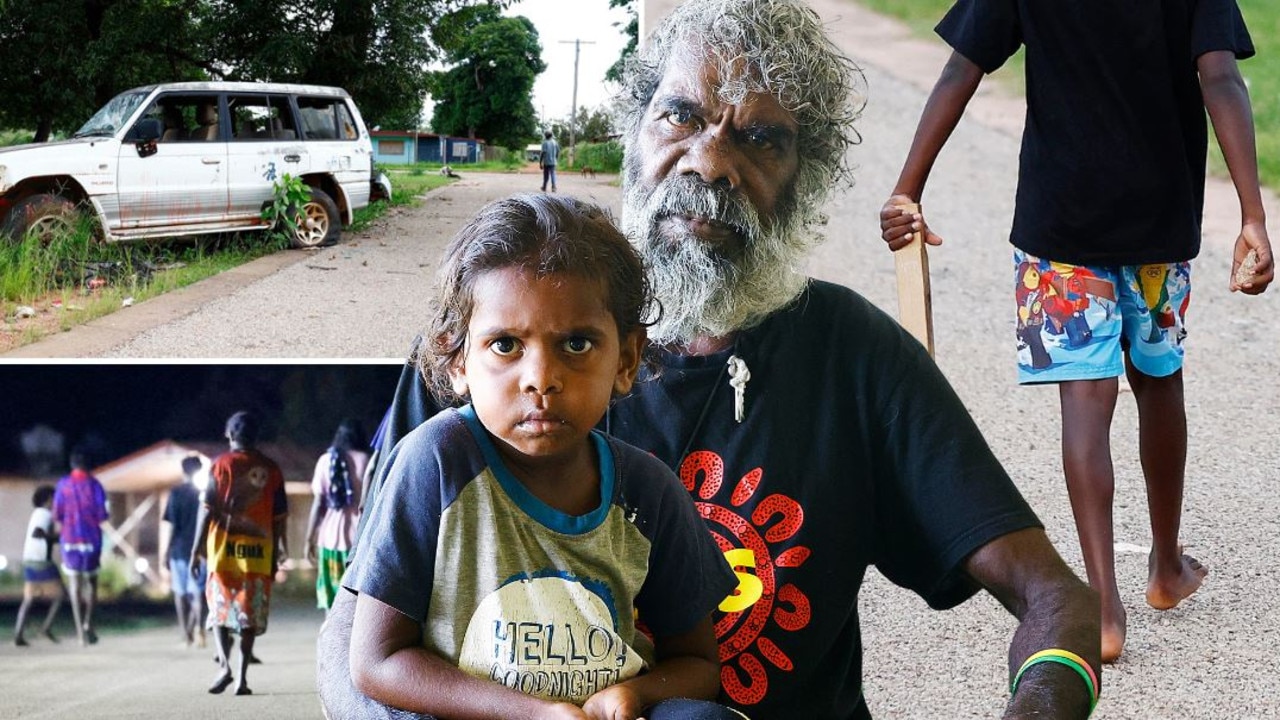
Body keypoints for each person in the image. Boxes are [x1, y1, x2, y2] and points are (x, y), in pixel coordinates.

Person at [320, 1, 1101, 718]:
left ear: (808, 178)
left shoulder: (858, 358)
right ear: (633, 133)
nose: (711, 163)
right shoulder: (494, 348)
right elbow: (358, 642)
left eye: (762, 140)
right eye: (680, 117)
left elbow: (1056, 598)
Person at [879, 0, 1274, 663]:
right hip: (1159, 218)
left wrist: (907, 188)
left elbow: (962, 66)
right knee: (1159, 381)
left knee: (1085, 403)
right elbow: (1220, 76)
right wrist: (1253, 216)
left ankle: (1105, 611)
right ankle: (1167, 567)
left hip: (1060, 220)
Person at [343, 193, 741, 720]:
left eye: (576, 344)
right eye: (505, 345)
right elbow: (376, 662)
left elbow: (697, 663)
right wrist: (532, 713)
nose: (541, 378)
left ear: (626, 360)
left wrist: (633, 695)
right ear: (458, 360)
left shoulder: (646, 490)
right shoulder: (435, 463)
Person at [193, 410, 288, 696]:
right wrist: (279, 550)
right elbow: (280, 516)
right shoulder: (272, 469)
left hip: (221, 554)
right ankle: (242, 678)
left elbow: (206, 510)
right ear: (255, 436)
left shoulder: (219, 465)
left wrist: (195, 550)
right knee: (248, 615)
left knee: (220, 610)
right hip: (258, 555)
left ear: (229, 434)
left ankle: (224, 665)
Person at [306, 419, 370, 612]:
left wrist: (309, 539)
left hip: (329, 539)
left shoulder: (326, 460)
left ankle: (331, 636)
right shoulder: (366, 460)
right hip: (359, 540)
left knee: (330, 598)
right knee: (354, 601)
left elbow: (318, 503)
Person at [53, 449, 108, 647]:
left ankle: (79, 632)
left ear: (72, 465)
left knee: (74, 584)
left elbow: (57, 513)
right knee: (91, 584)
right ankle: (88, 623)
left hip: (69, 539)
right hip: (91, 539)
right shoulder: (95, 485)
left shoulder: (63, 485)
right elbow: (103, 514)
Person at [162, 455, 207, 648]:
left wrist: (166, 551)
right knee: (198, 593)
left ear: (183, 472)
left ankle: (186, 635)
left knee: (180, 593)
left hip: (179, 550)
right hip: (202, 551)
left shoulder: (175, 493)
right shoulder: (205, 493)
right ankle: (200, 631)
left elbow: (171, 525)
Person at [14, 484, 64, 647]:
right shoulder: (45, 514)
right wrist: (58, 536)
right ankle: (46, 627)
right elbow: (38, 533)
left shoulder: (36, 513)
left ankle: (18, 634)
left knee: (28, 599)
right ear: (48, 499)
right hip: (42, 561)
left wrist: (55, 538)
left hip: (28, 560)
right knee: (60, 595)